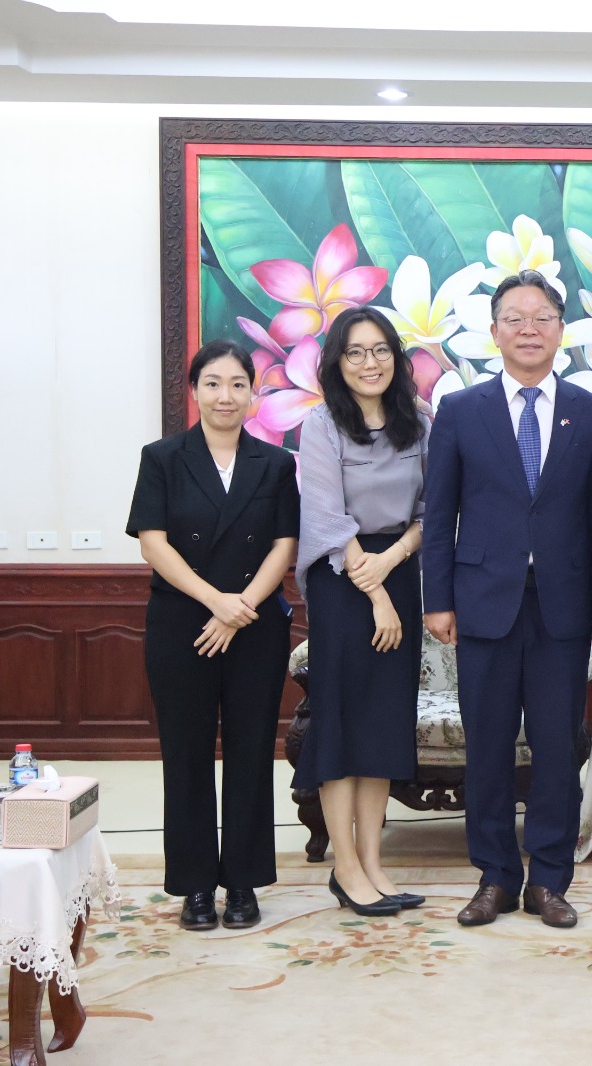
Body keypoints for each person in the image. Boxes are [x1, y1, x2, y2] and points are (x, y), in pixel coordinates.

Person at [422, 270, 592, 929]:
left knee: (558, 749)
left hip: (563, 606)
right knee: (488, 747)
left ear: (561, 330)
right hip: (482, 603)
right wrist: (437, 600)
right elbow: (439, 513)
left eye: (542, 318)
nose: (529, 329)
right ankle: (495, 877)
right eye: (515, 318)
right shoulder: (460, 409)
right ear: (494, 331)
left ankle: (550, 881)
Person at [126, 340, 299, 931]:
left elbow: (284, 545)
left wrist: (239, 608)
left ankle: (243, 881)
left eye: (238, 384)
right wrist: (215, 602)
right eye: (213, 383)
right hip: (183, 625)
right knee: (186, 755)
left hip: (254, 627)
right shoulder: (162, 458)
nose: (226, 396)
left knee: (252, 752)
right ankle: (196, 886)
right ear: (195, 391)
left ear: (254, 394)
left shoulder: (274, 464)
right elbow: (153, 544)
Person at [292, 307, 429, 918]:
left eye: (380, 350)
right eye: (355, 352)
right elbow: (324, 514)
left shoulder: (420, 421)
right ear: (337, 362)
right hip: (341, 579)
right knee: (343, 723)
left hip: (398, 567)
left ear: (396, 357)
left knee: (383, 724)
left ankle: (373, 864)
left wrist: (392, 562)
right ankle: (345, 868)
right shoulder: (321, 424)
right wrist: (374, 591)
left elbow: (433, 508)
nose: (369, 363)